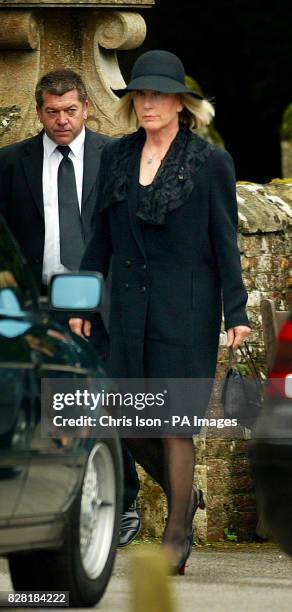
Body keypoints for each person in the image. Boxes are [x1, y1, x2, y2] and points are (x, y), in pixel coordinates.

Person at [70, 50, 251, 573]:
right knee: (126, 418)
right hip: (126, 310)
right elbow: (99, 236)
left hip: (185, 312)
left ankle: (176, 534)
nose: (147, 103)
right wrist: (83, 302)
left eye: (157, 94)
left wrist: (235, 312)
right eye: (140, 95)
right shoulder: (117, 156)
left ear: (181, 103)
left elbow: (224, 240)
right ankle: (183, 494)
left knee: (174, 424)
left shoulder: (210, 161)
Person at [0, 68, 141, 547]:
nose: (62, 120)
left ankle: (123, 505)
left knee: (108, 403)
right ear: (40, 112)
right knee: (47, 408)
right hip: (37, 304)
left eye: (70, 110)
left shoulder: (117, 157)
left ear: (86, 108)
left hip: (103, 302)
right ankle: (58, 511)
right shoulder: (10, 163)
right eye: (52, 112)